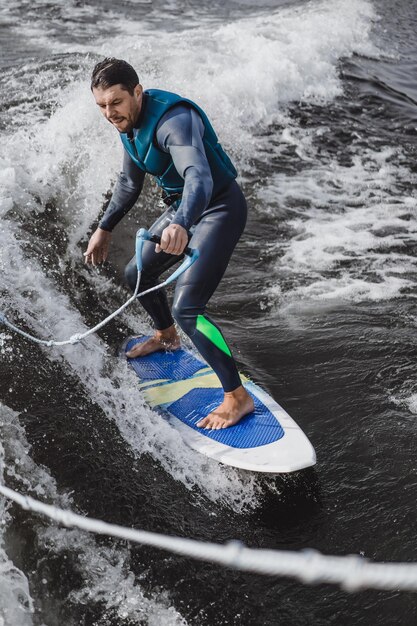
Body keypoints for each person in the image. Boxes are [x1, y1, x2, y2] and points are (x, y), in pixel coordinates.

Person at [84, 57, 254, 430]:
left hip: (219, 207)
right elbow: (130, 183)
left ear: (137, 93)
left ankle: (237, 397)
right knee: (137, 273)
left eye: (115, 102)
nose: (109, 113)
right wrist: (105, 227)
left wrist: (182, 222)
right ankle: (165, 337)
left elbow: (198, 176)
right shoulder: (126, 122)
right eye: (102, 106)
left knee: (188, 307)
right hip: (185, 210)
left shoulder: (174, 121)